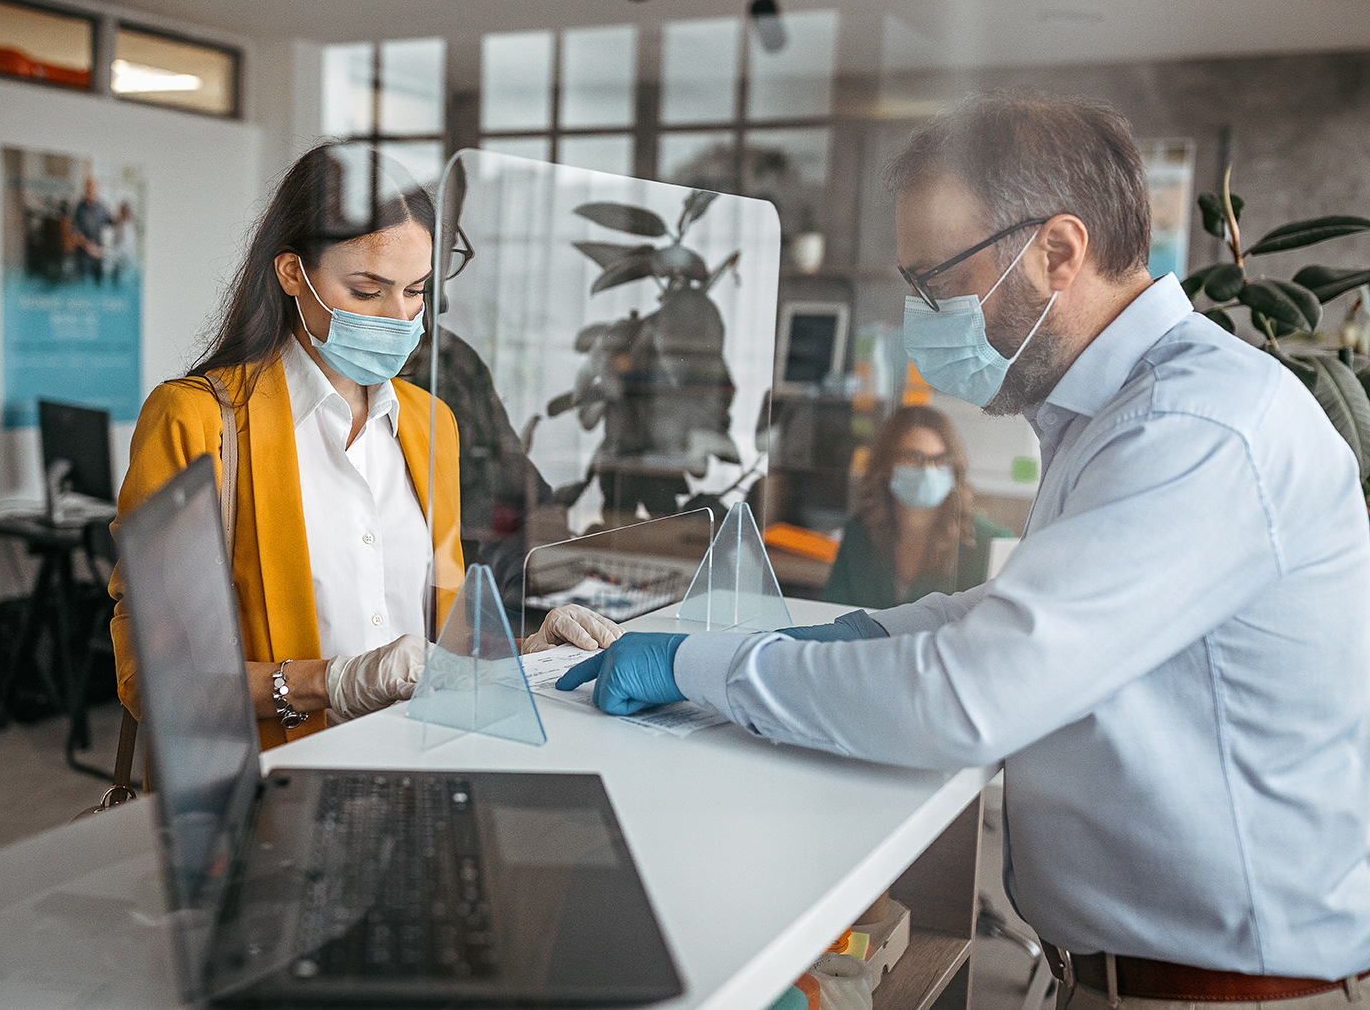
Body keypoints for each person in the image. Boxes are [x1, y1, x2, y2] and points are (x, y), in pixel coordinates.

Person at [559, 93, 1370, 1004]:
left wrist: (708, 665)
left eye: (936, 280)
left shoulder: (1195, 427)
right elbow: (1013, 613)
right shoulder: (1113, 415)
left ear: (1059, 252)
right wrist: (853, 634)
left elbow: (967, 696)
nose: (922, 315)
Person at [110, 143, 620, 751]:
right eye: (367, 289)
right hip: (276, 789)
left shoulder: (432, 424)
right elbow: (156, 681)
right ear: (293, 272)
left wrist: (527, 653)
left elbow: (440, 641)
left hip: (418, 762)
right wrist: (333, 682)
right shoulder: (195, 421)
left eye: (416, 290)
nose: (399, 317)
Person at [822, 405, 1011, 608]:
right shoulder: (859, 534)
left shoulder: (991, 542)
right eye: (912, 458)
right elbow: (831, 613)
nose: (928, 471)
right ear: (885, 465)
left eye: (940, 460)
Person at [71, 175, 111, 284]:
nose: (91, 192)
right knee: (84, 287)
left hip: (98, 257)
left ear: (97, 190)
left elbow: (111, 221)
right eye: (88, 189)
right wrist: (88, 246)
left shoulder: (102, 207)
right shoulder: (79, 208)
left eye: (93, 189)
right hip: (83, 257)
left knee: (99, 285)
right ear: (85, 189)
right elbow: (75, 234)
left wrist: (122, 217)